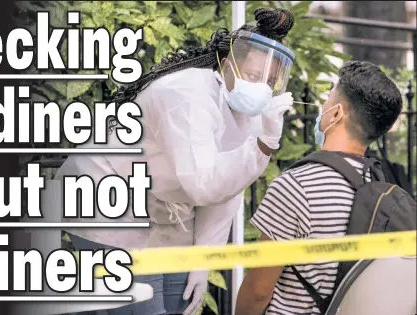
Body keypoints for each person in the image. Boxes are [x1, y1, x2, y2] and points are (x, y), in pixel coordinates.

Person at [54, 7, 297, 315]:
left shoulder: (246, 114)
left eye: (269, 81)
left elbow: (226, 195)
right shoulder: (188, 95)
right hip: (104, 193)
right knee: (143, 305)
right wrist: (264, 145)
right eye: (252, 75)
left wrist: (202, 260)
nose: (260, 87)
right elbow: (204, 186)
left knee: (178, 303)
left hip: (154, 205)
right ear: (226, 64)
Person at [235, 60, 403, 315]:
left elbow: (258, 291)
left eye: (326, 100)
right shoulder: (381, 188)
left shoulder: (296, 186)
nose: (321, 108)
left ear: (335, 114)